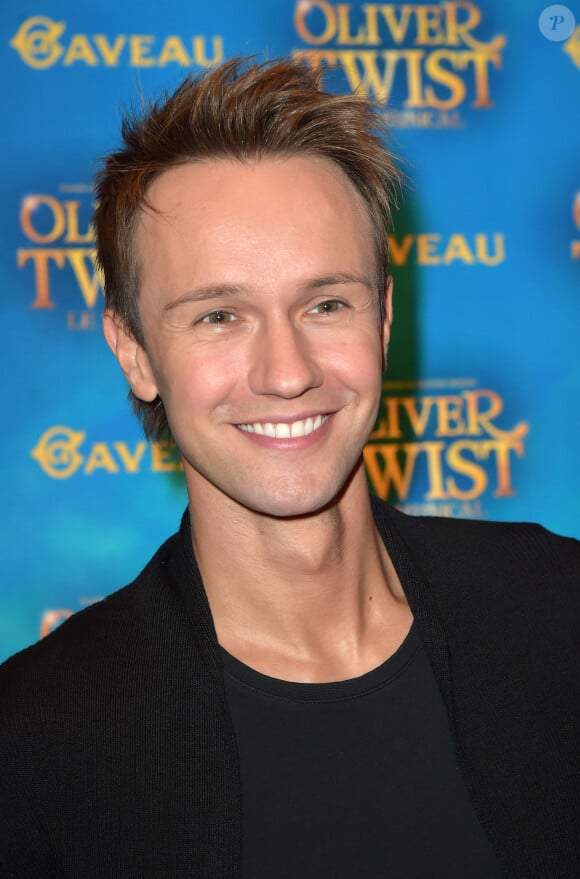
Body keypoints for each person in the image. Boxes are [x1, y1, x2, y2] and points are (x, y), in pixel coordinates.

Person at [0, 57, 578, 879]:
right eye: (220, 315)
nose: (286, 370)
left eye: (326, 303)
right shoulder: (37, 741)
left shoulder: (560, 608)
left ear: (382, 319)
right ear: (134, 352)